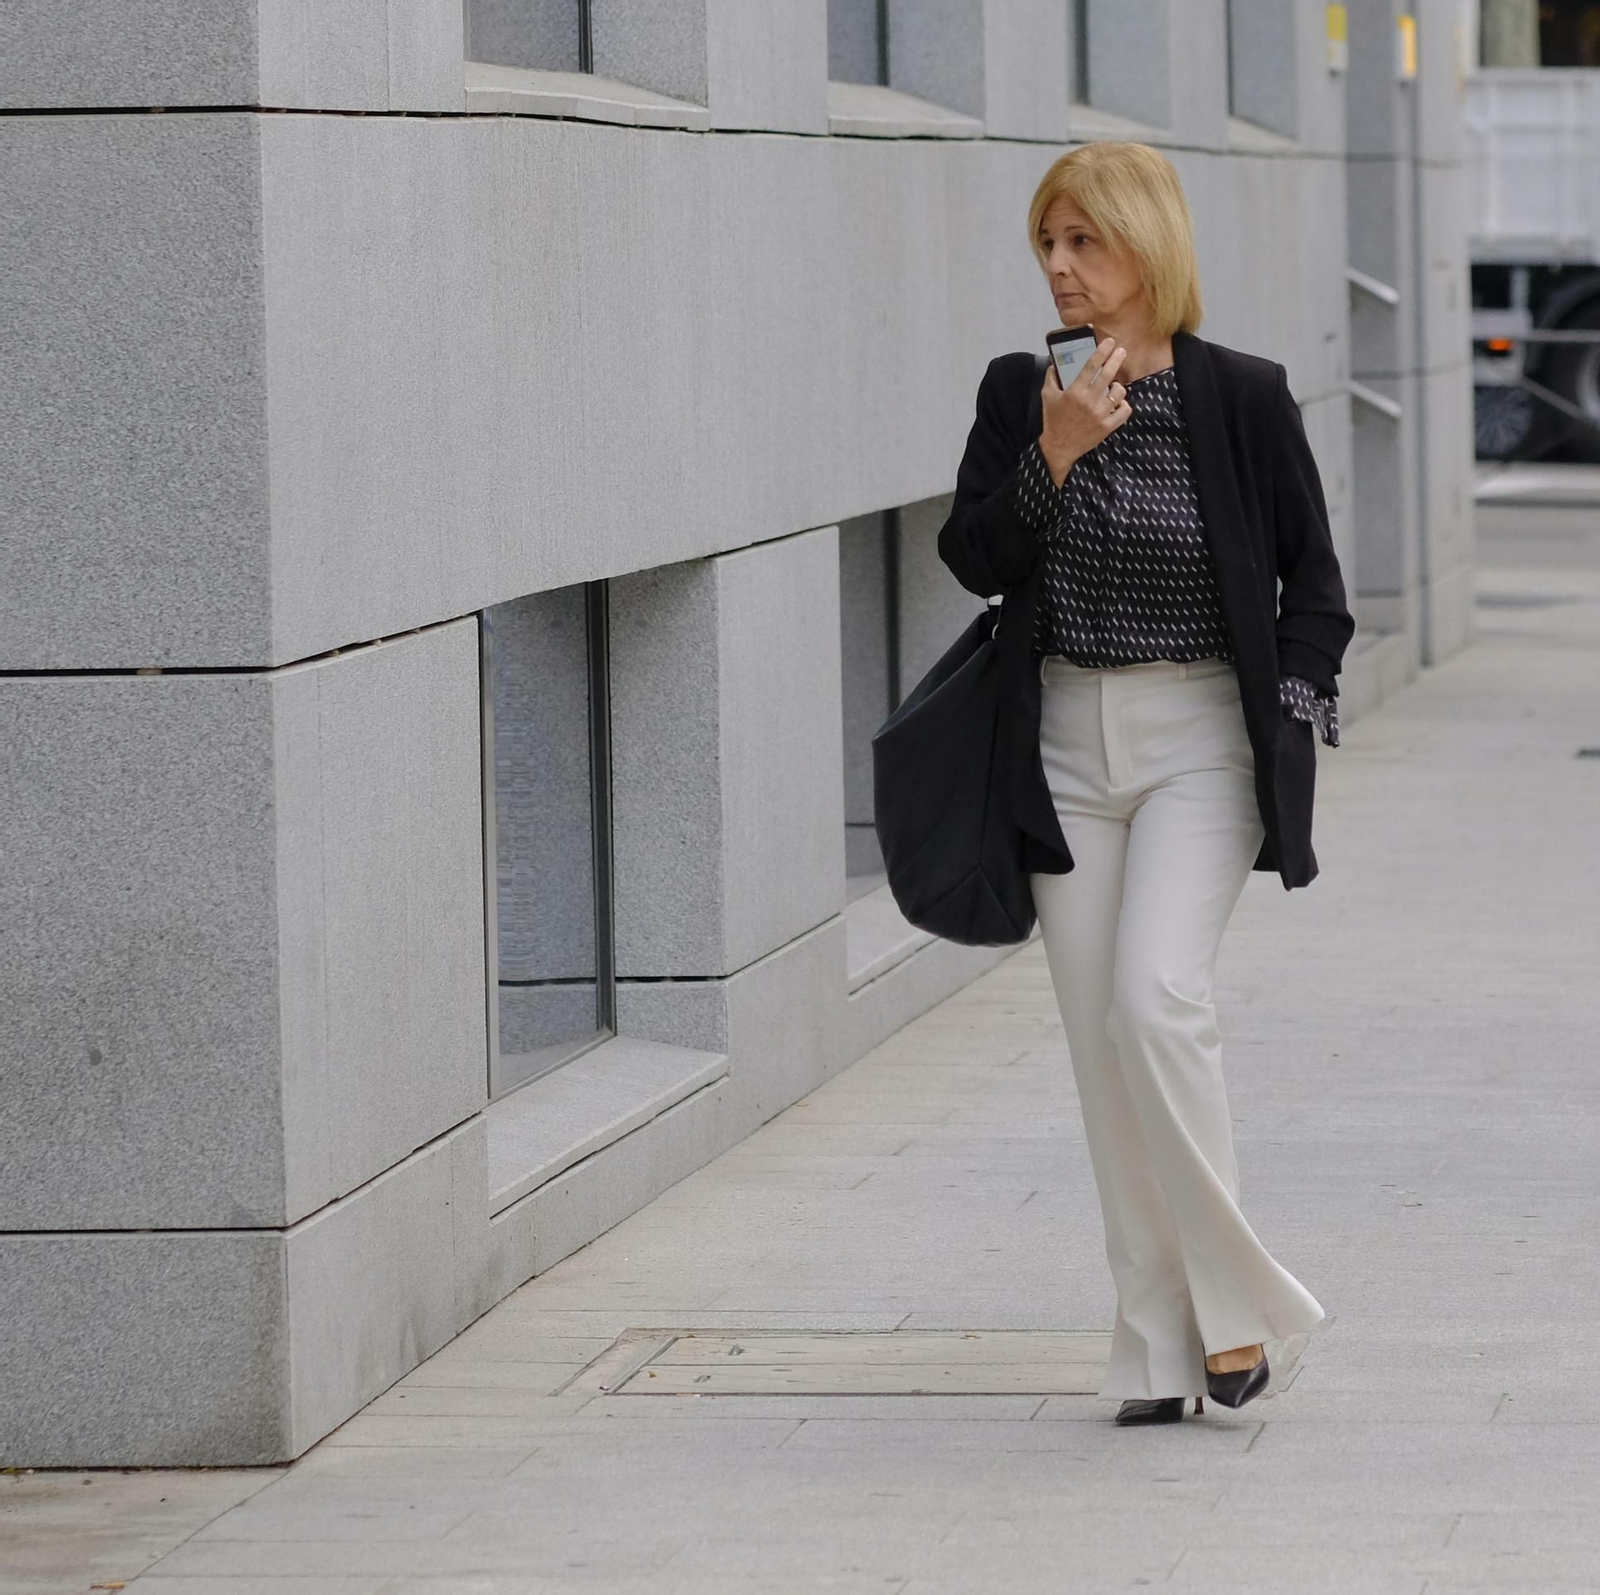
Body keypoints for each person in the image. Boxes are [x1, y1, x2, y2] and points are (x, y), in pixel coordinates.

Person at [936, 141, 1354, 1426]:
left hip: (1195, 746)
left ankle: (1235, 1319)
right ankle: (1156, 1341)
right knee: (1101, 1050)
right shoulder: (1024, 392)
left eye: (1083, 243)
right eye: (1046, 247)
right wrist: (1050, 454)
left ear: (1145, 247)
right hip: (1062, 741)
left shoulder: (1241, 395)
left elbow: (1315, 592)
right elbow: (972, 557)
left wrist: (1284, 713)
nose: (1059, 269)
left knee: (1156, 1000)